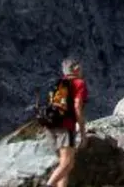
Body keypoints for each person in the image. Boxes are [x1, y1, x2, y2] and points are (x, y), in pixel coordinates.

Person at [43, 58, 87, 187]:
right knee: (68, 163)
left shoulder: (59, 83)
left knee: (63, 164)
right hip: (65, 126)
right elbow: (77, 106)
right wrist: (83, 134)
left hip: (50, 125)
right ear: (76, 69)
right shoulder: (79, 83)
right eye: (81, 68)